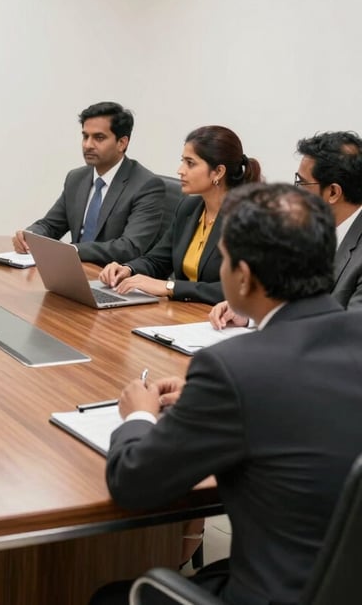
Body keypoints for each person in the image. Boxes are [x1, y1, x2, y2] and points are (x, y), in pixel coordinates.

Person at [89, 182, 362, 605]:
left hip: (280, 592)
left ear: (244, 276)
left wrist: (139, 416)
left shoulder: (233, 369)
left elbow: (133, 483)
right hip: (337, 579)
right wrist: (207, 402)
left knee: (110, 596)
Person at [211, 130, 362, 328]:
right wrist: (251, 313)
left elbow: (352, 334)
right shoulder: (310, 230)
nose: (296, 192)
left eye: (302, 182)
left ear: (333, 192)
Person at [100, 126, 261, 305]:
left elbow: (240, 288)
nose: (180, 170)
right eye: (182, 161)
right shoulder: (189, 207)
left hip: (221, 320)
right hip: (183, 314)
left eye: (190, 163)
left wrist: (171, 287)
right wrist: (127, 269)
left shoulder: (248, 219)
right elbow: (158, 260)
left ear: (218, 172)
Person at [12, 101, 165, 265]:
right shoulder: (76, 178)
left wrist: (73, 250)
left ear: (122, 143)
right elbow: (51, 225)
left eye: (99, 138)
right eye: (85, 136)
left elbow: (129, 247)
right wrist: (30, 236)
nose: (88, 145)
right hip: (75, 269)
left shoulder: (147, 185)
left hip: (115, 279)